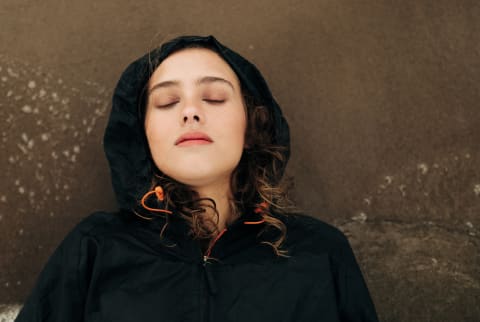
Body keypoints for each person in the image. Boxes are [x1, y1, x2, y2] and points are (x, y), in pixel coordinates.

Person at [15, 35, 378, 322]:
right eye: (167, 102)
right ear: (142, 134)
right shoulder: (94, 248)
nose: (190, 111)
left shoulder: (320, 254)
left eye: (215, 98)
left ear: (252, 126)